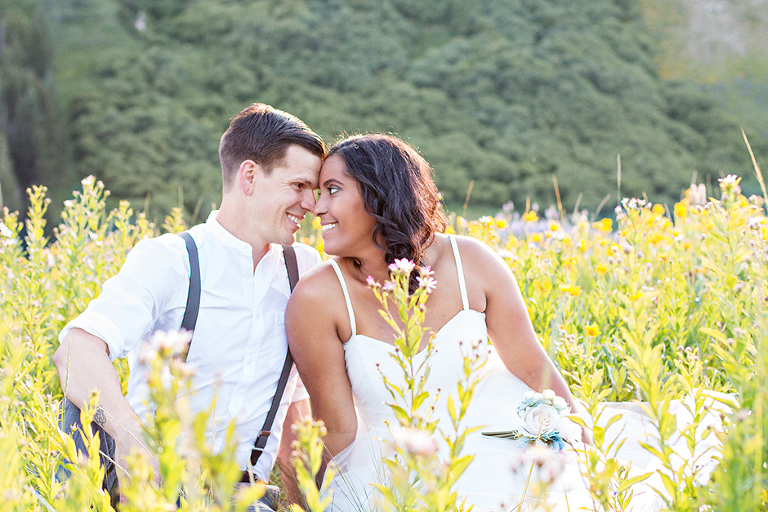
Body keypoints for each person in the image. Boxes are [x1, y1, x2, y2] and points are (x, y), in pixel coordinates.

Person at [285, 134, 681, 511]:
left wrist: (586, 447)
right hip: (394, 468)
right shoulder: (317, 298)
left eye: (333, 190)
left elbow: (532, 367)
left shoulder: (471, 262)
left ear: (380, 194)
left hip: (498, 446)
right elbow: (337, 428)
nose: (317, 209)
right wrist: (312, 504)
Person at [53, 103, 325, 510]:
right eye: (299, 186)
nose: (311, 204)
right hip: (156, 482)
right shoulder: (171, 259)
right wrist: (130, 437)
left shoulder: (304, 270)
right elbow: (76, 348)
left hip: (241, 497)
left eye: (315, 191)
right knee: (81, 409)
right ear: (250, 176)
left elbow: (296, 418)